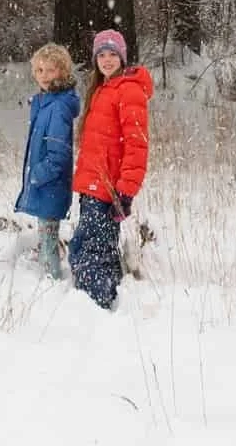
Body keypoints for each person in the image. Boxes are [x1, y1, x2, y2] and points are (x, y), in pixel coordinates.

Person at [68, 28, 153, 310]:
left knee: (95, 250)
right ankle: (95, 297)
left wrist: (125, 191)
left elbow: (136, 146)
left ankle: (97, 306)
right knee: (87, 244)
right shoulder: (102, 90)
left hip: (107, 189)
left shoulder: (128, 91)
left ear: (122, 57)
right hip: (92, 185)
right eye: (101, 54)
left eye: (112, 54)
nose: (106, 59)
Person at [14, 41, 80, 278]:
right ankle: (47, 272)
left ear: (62, 71)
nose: (44, 76)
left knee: (48, 236)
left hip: (51, 184)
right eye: (40, 70)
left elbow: (59, 154)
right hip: (47, 185)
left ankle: (51, 280)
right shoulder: (43, 102)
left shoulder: (59, 106)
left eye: (51, 70)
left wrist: (37, 174)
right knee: (46, 234)